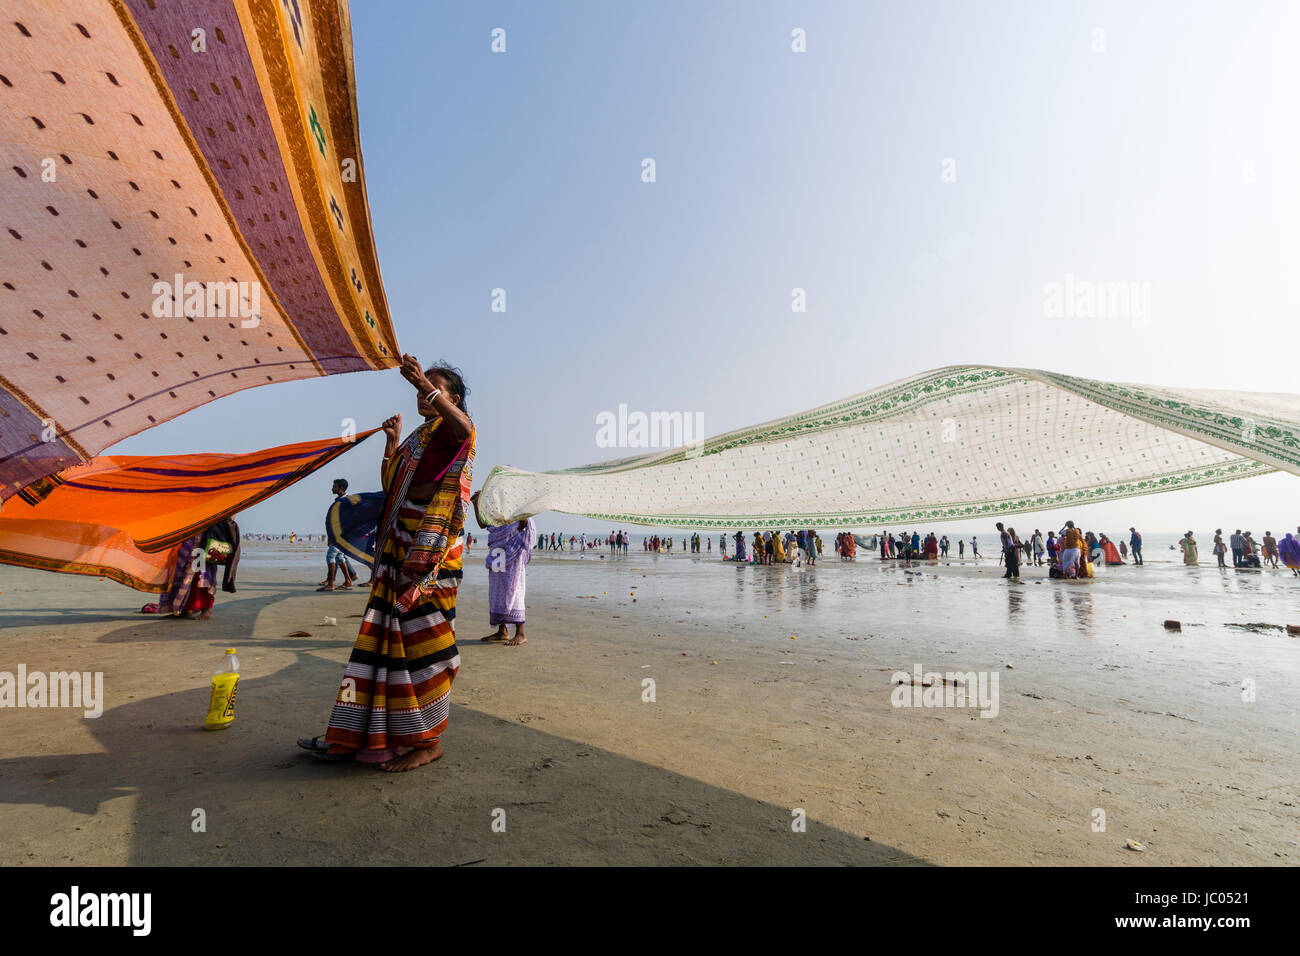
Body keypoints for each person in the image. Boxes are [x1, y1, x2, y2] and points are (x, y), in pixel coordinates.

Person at [299, 356, 474, 772]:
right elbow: (393, 486)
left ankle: (429, 741)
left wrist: (423, 383)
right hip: (399, 548)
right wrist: (392, 442)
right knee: (384, 644)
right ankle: (374, 734)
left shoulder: (454, 430)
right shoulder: (419, 438)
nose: (421, 392)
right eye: (418, 386)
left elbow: (466, 430)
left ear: (454, 398)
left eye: (433, 388)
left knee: (426, 646)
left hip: (432, 555)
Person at [161, 517, 241, 619]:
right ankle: (185, 609)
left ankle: (206, 610)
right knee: (183, 574)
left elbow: (230, 514)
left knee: (202, 577)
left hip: (206, 539)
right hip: (190, 536)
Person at [479, 507, 535, 647]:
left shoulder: (516, 512)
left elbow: (523, 522)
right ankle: (502, 631)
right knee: (498, 593)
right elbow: (483, 523)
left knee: (514, 591)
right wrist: (476, 503)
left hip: (513, 555)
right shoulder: (497, 516)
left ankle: (521, 633)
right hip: (498, 556)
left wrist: (522, 515)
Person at [319, 478, 358, 591]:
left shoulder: (346, 501)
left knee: (330, 556)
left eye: (335, 486)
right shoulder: (340, 500)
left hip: (342, 535)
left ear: (341, 488)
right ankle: (348, 581)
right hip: (338, 534)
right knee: (340, 557)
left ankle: (331, 584)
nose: (332, 488)